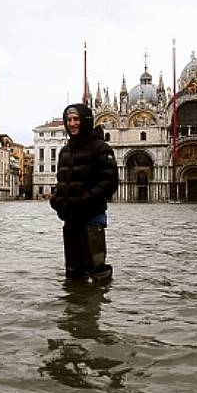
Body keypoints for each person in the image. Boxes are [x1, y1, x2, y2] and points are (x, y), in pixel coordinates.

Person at [50, 103, 118, 282]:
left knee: (98, 271)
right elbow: (62, 181)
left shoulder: (101, 148)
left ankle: (98, 307)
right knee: (73, 273)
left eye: (76, 119)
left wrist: (86, 199)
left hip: (92, 218)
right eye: (69, 120)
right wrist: (56, 199)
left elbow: (110, 182)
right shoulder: (65, 151)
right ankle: (75, 309)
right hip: (70, 218)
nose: (72, 123)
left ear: (86, 121)